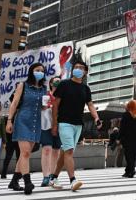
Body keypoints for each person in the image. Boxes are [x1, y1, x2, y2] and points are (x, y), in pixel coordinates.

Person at [49, 60, 103, 191]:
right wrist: (54, 123)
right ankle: (73, 180)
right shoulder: (64, 84)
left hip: (78, 124)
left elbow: (90, 104)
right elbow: (55, 104)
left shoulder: (85, 88)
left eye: (81, 68)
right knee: (69, 151)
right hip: (64, 122)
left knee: (65, 151)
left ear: (85, 72)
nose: (78, 69)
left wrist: (96, 118)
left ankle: (53, 177)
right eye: (76, 67)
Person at [5, 63, 48, 195]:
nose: (39, 72)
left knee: (26, 154)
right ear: (31, 71)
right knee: (25, 154)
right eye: (37, 70)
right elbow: (14, 103)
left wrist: (46, 106)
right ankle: (27, 182)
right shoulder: (23, 85)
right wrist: (9, 121)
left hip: (36, 124)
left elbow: (42, 107)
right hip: (23, 121)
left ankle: (13, 181)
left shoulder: (43, 89)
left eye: (42, 71)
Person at [40, 76, 62, 187]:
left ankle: (53, 176)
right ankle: (46, 176)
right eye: (55, 81)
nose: (57, 83)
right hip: (45, 125)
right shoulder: (46, 95)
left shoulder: (64, 96)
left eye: (59, 81)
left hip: (59, 126)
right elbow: (43, 108)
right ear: (51, 83)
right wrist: (49, 104)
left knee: (56, 151)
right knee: (47, 149)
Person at [120, 100, 136, 178]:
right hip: (134, 136)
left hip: (126, 137)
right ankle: (129, 170)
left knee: (128, 155)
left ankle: (131, 170)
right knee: (133, 154)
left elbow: (122, 128)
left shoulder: (125, 115)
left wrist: (119, 137)